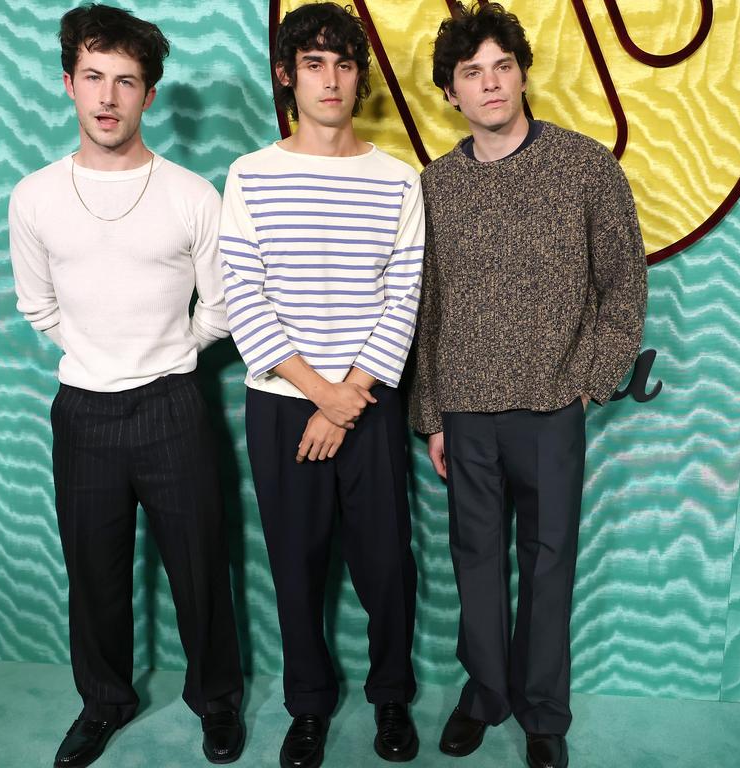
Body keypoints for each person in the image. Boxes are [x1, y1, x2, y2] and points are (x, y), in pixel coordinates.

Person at [409, 4, 648, 768]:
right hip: (467, 412)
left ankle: (544, 711)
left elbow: (625, 286)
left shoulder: (585, 166)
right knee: (475, 564)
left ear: (522, 73)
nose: (489, 84)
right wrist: (432, 414)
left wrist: (590, 381)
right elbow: (426, 306)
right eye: (471, 73)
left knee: (549, 562)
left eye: (501, 67)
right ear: (451, 92)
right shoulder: (435, 186)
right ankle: (484, 696)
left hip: (553, 410)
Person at [8, 4, 244, 766]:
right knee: (94, 574)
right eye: (94, 78)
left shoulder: (191, 194)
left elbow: (225, 305)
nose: (109, 97)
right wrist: (93, 352)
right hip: (82, 412)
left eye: (127, 82)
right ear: (70, 84)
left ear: (148, 94)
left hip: (174, 405)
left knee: (202, 568)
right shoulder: (35, 196)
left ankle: (215, 702)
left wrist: (172, 348)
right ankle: (103, 702)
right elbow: (36, 303)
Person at [219, 3, 424, 766]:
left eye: (343, 63)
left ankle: (392, 699)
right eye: (313, 63)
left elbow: (404, 296)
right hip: (283, 406)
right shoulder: (249, 175)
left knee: (386, 565)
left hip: (368, 403)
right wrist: (319, 393)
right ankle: (306, 708)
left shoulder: (399, 180)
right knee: (295, 562)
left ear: (359, 76)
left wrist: (348, 399)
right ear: (287, 75)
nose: (330, 79)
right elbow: (245, 296)